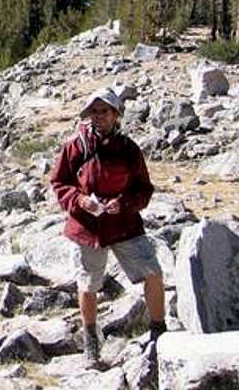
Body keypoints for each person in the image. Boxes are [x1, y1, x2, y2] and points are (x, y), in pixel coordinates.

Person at [49, 87, 166, 368]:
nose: (98, 117)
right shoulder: (75, 147)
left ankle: (159, 331)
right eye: (94, 112)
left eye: (105, 111)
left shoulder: (128, 149)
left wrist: (124, 204)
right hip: (87, 229)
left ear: (116, 115)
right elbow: (59, 183)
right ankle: (91, 342)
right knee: (88, 285)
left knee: (153, 273)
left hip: (124, 225)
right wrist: (79, 200)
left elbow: (144, 189)